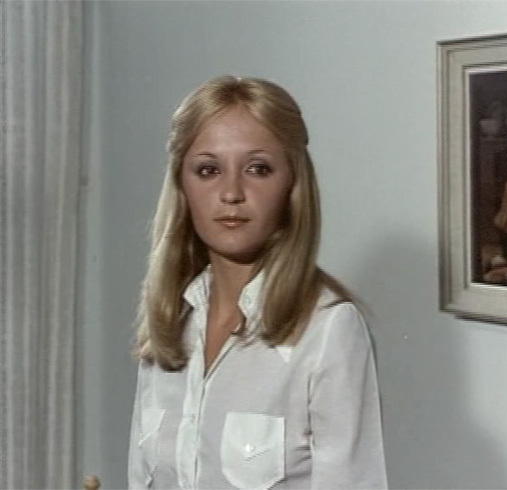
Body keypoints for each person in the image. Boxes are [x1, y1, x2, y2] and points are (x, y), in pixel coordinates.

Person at [128, 76, 387, 489]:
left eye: (257, 169)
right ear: (182, 186)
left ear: (292, 184)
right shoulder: (169, 323)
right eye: (208, 170)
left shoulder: (328, 330)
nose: (231, 192)